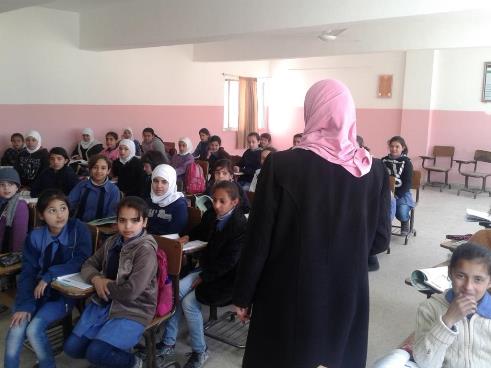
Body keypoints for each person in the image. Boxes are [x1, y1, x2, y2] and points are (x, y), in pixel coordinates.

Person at [232, 79, 391, 368]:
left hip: (288, 291)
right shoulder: (374, 169)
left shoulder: (281, 165)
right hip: (348, 290)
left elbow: (259, 240)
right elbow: (380, 240)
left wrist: (244, 295)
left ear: (313, 111)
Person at [158, 181, 247, 368]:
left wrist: (203, 277)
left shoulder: (240, 225)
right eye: (214, 200)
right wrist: (188, 237)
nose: (216, 205)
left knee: (188, 302)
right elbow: (201, 229)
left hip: (228, 279)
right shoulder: (214, 216)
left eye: (222, 201)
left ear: (235, 202)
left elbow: (229, 262)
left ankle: (199, 351)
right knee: (175, 293)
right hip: (208, 270)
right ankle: (168, 343)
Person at [64, 196, 158, 368]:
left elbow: (130, 292)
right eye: (122, 220)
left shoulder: (145, 250)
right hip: (104, 302)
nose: (128, 226)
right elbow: (88, 264)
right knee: (72, 348)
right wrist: (96, 279)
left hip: (134, 308)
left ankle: (133, 362)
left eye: (134, 220)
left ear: (144, 222)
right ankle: (108, 352)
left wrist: (104, 284)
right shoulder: (113, 241)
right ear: (116, 221)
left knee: (96, 352)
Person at [4, 189, 91, 368]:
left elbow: (81, 259)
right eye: (52, 210)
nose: (60, 215)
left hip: (62, 295)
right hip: (35, 293)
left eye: (63, 208)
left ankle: (47, 365)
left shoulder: (78, 229)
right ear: (42, 215)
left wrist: (50, 275)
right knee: (16, 329)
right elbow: (28, 273)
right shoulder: (35, 236)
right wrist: (25, 305)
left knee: (34, 329)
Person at [413, 243, 491, 368]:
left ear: (489, 281)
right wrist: (447, 321)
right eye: (461, 276)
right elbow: (424, 362)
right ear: (450, 273)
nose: (468, 287)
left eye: (478, 279)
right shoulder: (429, 308)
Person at [68, 155, 120, 222]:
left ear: (108, 171)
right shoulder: (81, 185)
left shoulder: (113, 190)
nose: (99, 171)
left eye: (103, 168)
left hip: (101, 228)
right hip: (79, 225)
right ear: (90, 169)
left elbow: (111, 215)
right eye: (95, 167)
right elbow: (70, 203)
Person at [382, 136, 415, 236]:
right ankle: (384, 227)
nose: (394, 149)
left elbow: (408, 183)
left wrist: (396, 195)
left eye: (397, 146)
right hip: (387, 193)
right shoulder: (383, 160)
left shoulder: (407, 162)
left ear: (403, 148)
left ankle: (405, 222)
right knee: (382, 210)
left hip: (402, 194)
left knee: (401, 213)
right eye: (392, 146)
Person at [146, 164, 188, 236]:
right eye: (155, 181)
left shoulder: (179, 205)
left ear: (171, 183)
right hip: (147, 240)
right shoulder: (150, 200)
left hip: (167, 243)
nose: (159, 186)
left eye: (164, 182)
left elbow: (175, 232)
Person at [0, 167, 28, 253]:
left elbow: (19, 236)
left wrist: (15, 256)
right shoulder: (1, 201)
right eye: (2, 184)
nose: (6, 188)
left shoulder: (20, 206)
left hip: (5, 252)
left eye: (10, 184)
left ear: (17, 187)